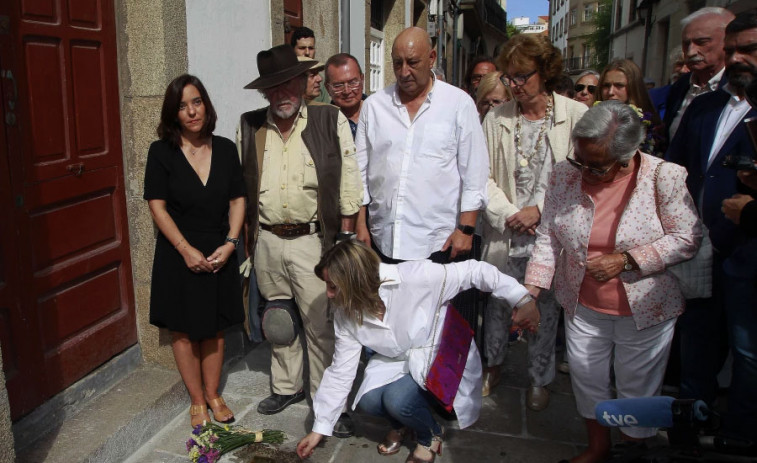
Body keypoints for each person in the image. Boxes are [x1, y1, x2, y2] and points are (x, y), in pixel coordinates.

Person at [526, 102, 701, 463]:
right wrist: (531, 291)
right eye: (580, 160)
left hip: (645, 308)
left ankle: (631, 451)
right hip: (583, 303)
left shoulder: (662, 177)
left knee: (637, 388)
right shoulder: (564, 174)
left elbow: (688, 237)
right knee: (587, 380)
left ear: (627, 156)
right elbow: (548, 237)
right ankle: (598, 447)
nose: (585, 172)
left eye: (597, 166)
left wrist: (626, 260)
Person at [296, 241, 541, 462]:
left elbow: (476, 271)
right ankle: (403, 424)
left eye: (333, 286)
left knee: (397, 401)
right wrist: (320, 428)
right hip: (396, 360)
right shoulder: (347, 313)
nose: (329, 294)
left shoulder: (416, 277)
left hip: (437, 355)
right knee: (368, 401)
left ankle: (430, 434)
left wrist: (522, 299)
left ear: (356, 281)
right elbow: (341, 369)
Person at [237, 45, 363, 436]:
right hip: (268, 241)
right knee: (278, 321)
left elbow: (349, 180)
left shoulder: (329, 119)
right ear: (264, 93)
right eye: (272, 88)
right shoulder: (249, 125)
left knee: (321, 323)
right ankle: (287, 387)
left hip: (314, 241)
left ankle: (329, 400)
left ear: (304, 82)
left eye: (288, 83)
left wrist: (344, 238)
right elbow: (241, 186)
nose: (282, 94)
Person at [480, 33, 588, 405]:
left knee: (545, 310)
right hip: (506, 231)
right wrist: (510, 213)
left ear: (545, 72)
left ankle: (539, 378)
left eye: (522, 76)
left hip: (550, 235)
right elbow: (482, 176)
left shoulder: (575, 116)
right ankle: (492, 364)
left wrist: (540, 210)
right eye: (509, 77)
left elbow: (581, 175)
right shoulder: (496, 119)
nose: (515, 85)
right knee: (497, 303)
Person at [665, 13, 757, 431]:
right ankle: (691, 420)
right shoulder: (704, 106)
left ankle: (739, 431)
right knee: (696, 342)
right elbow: (675, 173)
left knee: (747, 351)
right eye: (734, 49)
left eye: (749, 50)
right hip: (698, 248)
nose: (738, 58)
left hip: (747, 252)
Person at [144, 74, 245, 428]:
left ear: (206, 104)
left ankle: (215, 393)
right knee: (184, 330)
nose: (191, 111)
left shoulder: (227, 149)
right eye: (183, 106)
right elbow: (157, 206)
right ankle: (197, 400)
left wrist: (231, 244)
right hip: (178, 251)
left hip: (219, 248)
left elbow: (237, 200)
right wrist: (185, 249)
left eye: (197, 102)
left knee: (215, 327)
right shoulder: (161, 153)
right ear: (173, 114)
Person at [355, 26, 489, 264]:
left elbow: (474, 173)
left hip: (438, 242)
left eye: (412, 62)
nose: (404, 72)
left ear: (431, 58)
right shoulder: (374, 106)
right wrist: (360, 223)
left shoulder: (458, 104)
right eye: (397, 63)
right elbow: (360, 170)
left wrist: (466, 230)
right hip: (382, 239)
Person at [665, 7, 735, 141]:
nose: (691, 52)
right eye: (686, 44)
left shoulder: (738, 89)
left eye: (702, 42)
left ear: (727, 42)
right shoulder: (679, 87)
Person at [597, 59, 663, 156]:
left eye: (619, 85)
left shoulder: (651, 128)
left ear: (634, 87)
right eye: (606, 86)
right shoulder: (590, 121)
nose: (610, 92)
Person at [324, 53, 367, 139]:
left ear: (362, 80)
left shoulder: (379, 112)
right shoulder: (322, 124)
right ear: (328, 88)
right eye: (338, 85)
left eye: (352, 83)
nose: (347, 91)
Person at [290, 27, 329, 103]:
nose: (307, 53)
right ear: (292, 50)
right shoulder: (285, 79)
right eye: (302, 48)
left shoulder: (319, 81)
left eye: (311, 48)